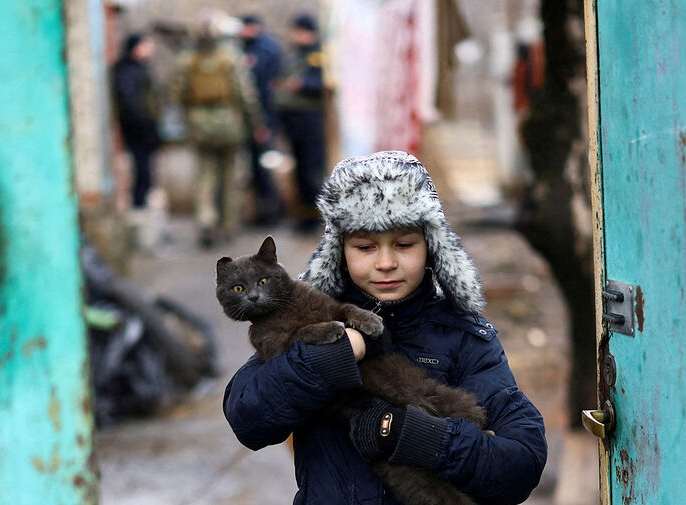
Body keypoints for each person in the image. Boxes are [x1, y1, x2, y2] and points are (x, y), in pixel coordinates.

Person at [223, 151, 547, 504]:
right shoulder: (304, 320)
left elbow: (521, 463)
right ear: (339, 252)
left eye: (404, 244)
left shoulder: (463, 336)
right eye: (365, 247)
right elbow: (248, 417)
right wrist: (332, 356)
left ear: (432, 247)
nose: (386, 263)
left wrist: (418, 435)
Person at [172, 12, 266, 247]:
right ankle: (228, 225)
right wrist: (255, 122)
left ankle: (206, 221)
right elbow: (245, 93)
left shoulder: (186, 60)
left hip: (198, 123)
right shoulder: (231, 57)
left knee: (205, 175)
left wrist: (188, 118)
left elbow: (177, 93)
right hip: (229, 122)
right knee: (229, 174)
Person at [274, 13, 326, 233]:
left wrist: (302, 84)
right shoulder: (296, 55)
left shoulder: (317, 54)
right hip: (293, 119)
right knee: (299, 169)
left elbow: (322, 82)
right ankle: (304, 215)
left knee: (310, 168)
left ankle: (314, 217)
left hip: (309, 119)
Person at [239, 14, 285, 226]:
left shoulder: (265, 50)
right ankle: (263, 212)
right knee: (257, 167)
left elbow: (262, 87)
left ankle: (271, 213)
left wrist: (263, 124)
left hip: (264, 117)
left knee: (264, 166)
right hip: (256, 117)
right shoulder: (251, 47)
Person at [113, 33, 161, 208]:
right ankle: (139, 205)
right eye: (146, 45)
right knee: (141, 169)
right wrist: (143, 125)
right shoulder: (127, 70)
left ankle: (142, 204)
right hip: (137, 129)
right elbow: (129, 103)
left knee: (146, 170)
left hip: (145, 128)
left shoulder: (141, 68)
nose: (150, 49)